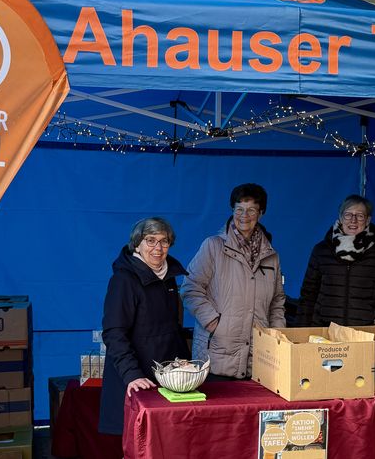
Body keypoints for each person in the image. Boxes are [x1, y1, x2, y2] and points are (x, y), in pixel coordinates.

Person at [182, 183, 286, 380]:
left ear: (261, 213)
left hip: (260, 358)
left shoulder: (271, 256)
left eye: (251, 210)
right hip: (218, 354)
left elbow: (277, 301)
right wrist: (214, 323)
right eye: (239, 209)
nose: (243, 215)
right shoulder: (213, 246)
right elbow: (190, 288)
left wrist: (276, 334)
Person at [99, 217, 190, 440]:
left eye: (164, 241)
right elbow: (114, 333)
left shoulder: (168, 278)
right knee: (139, 444)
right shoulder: (123, 280)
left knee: (167, 442)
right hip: (137, 380)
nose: (158, 248)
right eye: (150, 240)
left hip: (167, 380)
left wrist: (182, 360)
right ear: (137, 244)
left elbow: (172, 328)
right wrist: (132, 375)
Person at [297, 194, 375, 327]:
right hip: (325, 332)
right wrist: (302, 330)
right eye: (348, 214)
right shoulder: (321, 251)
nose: (353, 220)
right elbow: (308, 294)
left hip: (365, 333)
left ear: (368, 220)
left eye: (360, 216)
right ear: (341, 218)